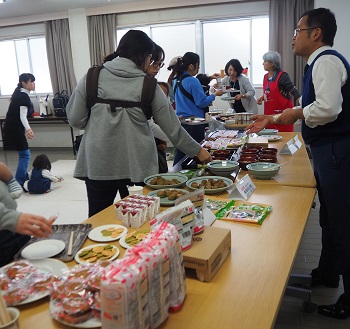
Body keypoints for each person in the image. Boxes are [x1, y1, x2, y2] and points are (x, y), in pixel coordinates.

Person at [246, 8, 350, 319]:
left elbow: (328, 108)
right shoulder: (317, 63)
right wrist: (276, 117)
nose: (293, 36)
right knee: (330, 220)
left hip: (336, 149)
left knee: (343, 223)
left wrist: (294, 114)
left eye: (298, 30)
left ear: (315, 33)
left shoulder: (326, 60)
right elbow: (308, 106)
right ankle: (328, 273)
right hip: (329, 148)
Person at [66, 30, 212, 217]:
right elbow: (173, 129)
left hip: (98, 163)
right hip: (137, 165)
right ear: (144, 56)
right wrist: (198, 151)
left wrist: (100, 120)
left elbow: (75, 119)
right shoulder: (149, 85)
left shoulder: (91, 77)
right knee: (142, 218)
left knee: (98, 219)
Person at [173, 52, 224, 164]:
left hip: (181, 121)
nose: (199, 67)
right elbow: (201, 102)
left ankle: (176, 174)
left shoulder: (176, 80)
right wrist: (214, 95)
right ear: (191, 66)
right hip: (194, 123)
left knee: (181, 151)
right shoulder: (193, 80)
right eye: (198, 64)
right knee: (196, 153)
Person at [0, 163, 55, 266]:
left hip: (13, 222)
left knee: (29, 263)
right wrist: (6, 217)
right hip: (7, 227)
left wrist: (11, 181)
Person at [3, 73, 36, 192]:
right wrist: (29, 129)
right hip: (14, 130)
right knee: (25, 155)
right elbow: (23, 116)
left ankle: (19, 180)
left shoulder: (20, 94)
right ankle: (18, 183)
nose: (33, 84)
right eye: (31, 81)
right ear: (24, 83)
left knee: (24, 154)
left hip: (12, 128)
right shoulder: (23, 96)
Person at [256, 51, 301, 132]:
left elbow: (293, 90)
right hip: (269, 115)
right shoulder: (265, 77)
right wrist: (262, 97)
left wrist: (303, 104)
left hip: (283, 116)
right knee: (270, 140)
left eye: (265, 61)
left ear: (272, 63)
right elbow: (268, 91)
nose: (263, 63)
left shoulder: (283, 76)